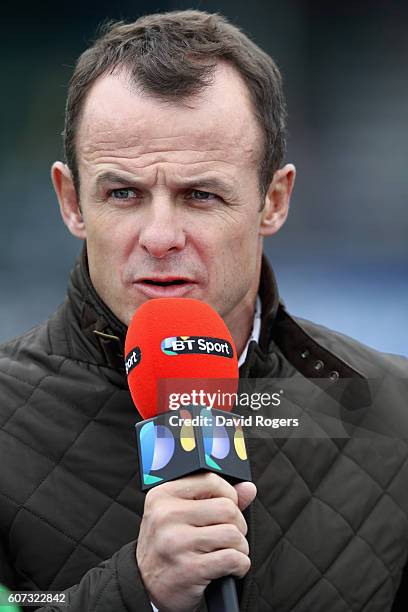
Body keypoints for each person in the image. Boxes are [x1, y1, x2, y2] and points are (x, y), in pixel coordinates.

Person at [0, 9, 407, 612]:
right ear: (71, 200)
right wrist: (136, 591)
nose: (160, 235)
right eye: (123, 193)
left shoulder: (392, 408)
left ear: (273, 200)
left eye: (200, 194)